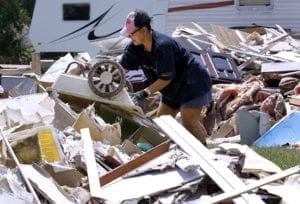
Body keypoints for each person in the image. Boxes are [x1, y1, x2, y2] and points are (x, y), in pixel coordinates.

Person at [119, 9, 212, 145]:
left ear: (144, 30)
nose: (129, 37)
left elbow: (165, 78)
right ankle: (176, 149)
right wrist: (108, 75)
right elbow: (121, 68)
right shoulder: (134, 47)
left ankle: (205, 154)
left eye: (131, 33)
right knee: (162, 121)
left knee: (188, 120)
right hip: (172, 87)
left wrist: (144, 93)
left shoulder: (163, 46)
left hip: (193, 82)